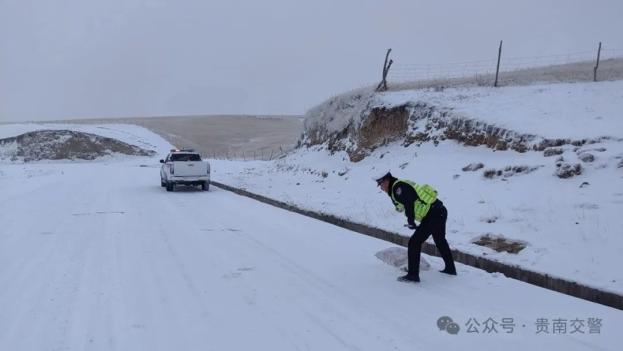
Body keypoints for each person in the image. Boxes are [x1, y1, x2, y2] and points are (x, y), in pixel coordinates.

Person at [375, 171, 456, 283]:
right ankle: (450, 268)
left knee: (414, 242)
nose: (381, 188)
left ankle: (413, 275)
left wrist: (411, 221)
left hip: (433, 214)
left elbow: (409, 202)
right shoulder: (398, 186)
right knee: (440, 240)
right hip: (439, 211)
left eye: (381, 184)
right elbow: (405, 203)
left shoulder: (397, 187)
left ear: (386, 181)